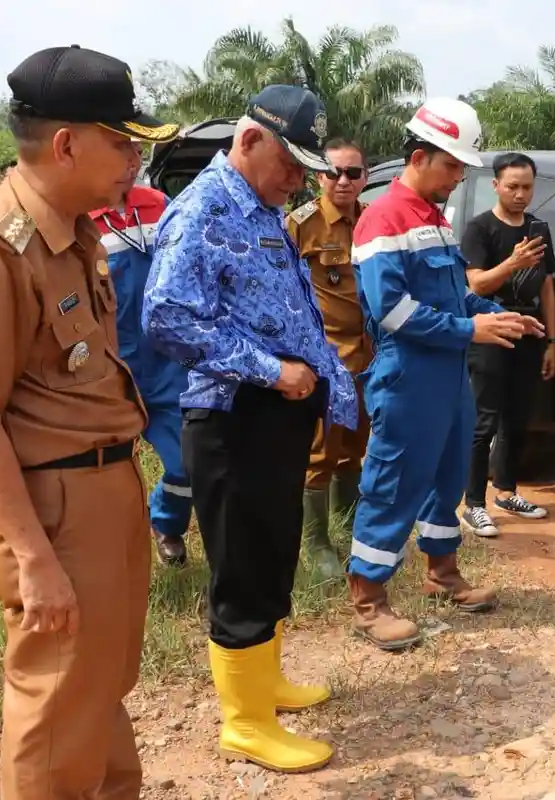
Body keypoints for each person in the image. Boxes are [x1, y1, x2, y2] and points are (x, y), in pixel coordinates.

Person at [0, 45, 179, 798]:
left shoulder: (74, 233)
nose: (135, 158)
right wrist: (36, 560)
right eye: (122, 141)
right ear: (67, 143)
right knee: (56, 720)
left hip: (104, 492)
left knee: (99, 692)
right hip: (53, 512)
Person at [144, 85, 358, 774]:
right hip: (235, 417)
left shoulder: (260, 207)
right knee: (240, 564)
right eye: (290, 162)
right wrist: (272, 371)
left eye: (307, 165)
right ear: (248, 141)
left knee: (271, 551)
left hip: (275, 414)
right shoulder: (203, 209)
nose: (301, 179)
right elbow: (168, 317)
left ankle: (265, 684)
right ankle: (244, 723)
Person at [349, 98, 544, 651]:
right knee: (393, 481)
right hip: (408, 374)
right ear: (419, 157)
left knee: (447, 474)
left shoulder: (434, 220)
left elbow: (454, 295)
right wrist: (468, 333)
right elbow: (392, 310)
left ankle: (442, 574)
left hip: (449, 375)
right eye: (453, 166)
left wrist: (494, 315)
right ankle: (368, 597)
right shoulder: (382, 219)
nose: (460, 178)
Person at [90, 183, 193, 566]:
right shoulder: (80, 215)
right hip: (111, 366)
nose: (130, 159)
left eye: (136, 151)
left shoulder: (157, 203)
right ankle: (116, 564)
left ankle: (166, 524)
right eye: (122, 148)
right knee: (105, 478)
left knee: (186, 463)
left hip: (166, 363)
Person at [459, 152, 555, 537]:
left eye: (527, 187)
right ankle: (473, 503)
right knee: (484, 420)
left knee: (518, 419)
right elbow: (477, 284)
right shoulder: (479, 229)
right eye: (512, 186)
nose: (520, 194)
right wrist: (513, 264)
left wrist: (551, 340)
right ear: (496, 186)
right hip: (489, 330)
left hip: (529, 330)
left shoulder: (538, 229)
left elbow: (548, 285)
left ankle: (507, 491)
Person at [287, 138, 373, 579]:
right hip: (327, 359)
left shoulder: (373, 221)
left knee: (354, 445)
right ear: (318, 175)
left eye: (353, 173)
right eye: (333, 172)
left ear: (366, 177)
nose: (343, 181)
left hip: (368, 356)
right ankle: (316, 542)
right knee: (321, 451)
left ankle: (351, 525)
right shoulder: (301, 223)